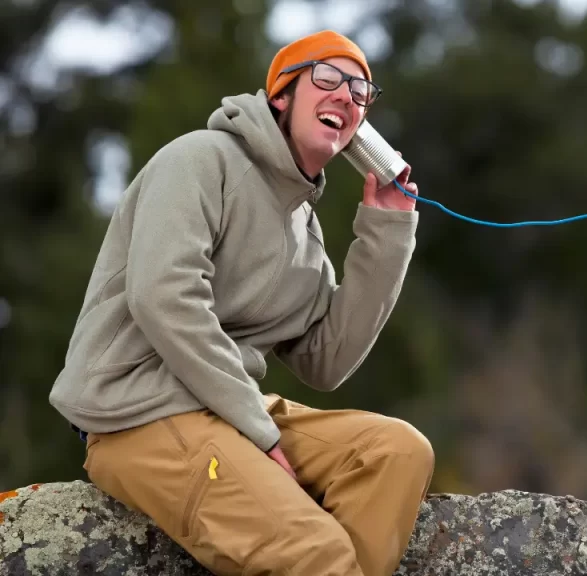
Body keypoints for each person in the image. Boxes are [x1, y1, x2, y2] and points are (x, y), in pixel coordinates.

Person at [49, 30, 434, 576]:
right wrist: (260, 432)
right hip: (136, 412)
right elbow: (164, 298)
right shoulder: (201, 159)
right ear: (280, 94)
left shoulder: (305, 229)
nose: (347, 96)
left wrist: (389, 231)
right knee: (316, 552)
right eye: (328, 78)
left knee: (396, 452)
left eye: (362, 91)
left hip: (227, 412)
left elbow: (325, 361)